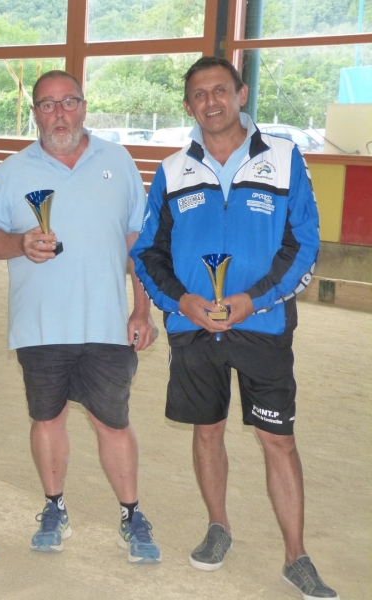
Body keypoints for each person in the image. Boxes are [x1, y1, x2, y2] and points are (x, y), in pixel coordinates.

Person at [130, 56, 339, 599]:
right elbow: (148, 252)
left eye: (220, 90)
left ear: (241, 94)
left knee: (278, 440)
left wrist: (256, 299)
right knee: (208, 431)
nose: (211, 102)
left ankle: (296, 556)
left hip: (262, 325)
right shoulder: (172, 170)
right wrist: (181, 302)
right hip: (194, 327)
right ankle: (218, 526)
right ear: (187, 105)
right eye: (199, 94)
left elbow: (304, 243)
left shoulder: (285, 159)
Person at [0, 70, 162, 563]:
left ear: (84, 105)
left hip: (107, 323)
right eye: (47, 104)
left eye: (69, 102)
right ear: (35, 112)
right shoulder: (13, 169)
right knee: (47, 418)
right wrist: (19, 244)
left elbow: (138, 244)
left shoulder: (118, 161)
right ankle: (54, 508)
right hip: (39, 324)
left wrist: (142, 309)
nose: (59, 113)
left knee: (113, 422)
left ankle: (131, 514)